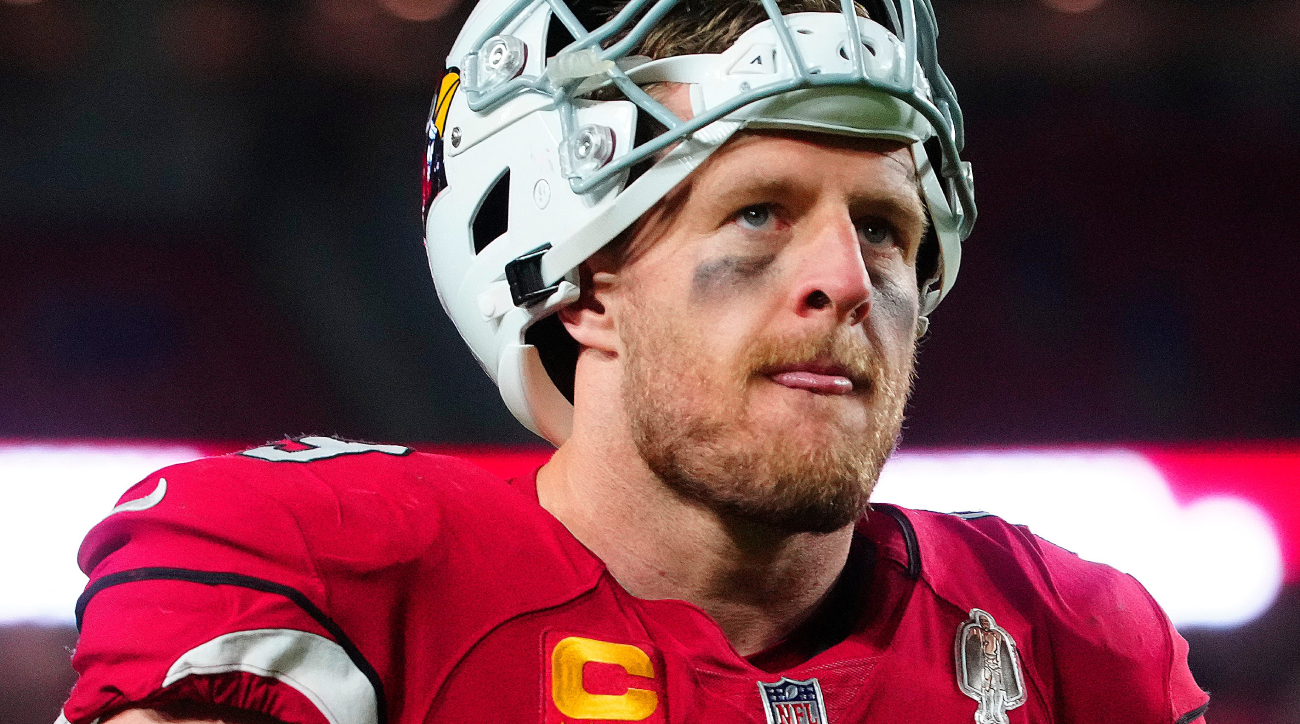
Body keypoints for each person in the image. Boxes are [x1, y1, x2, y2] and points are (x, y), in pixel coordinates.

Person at [59, 1, 1209, 723]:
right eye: (759, 214)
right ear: (580, 282)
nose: (849, 280)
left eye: (882, 225)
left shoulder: (1070, 643)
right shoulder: (330, 579)